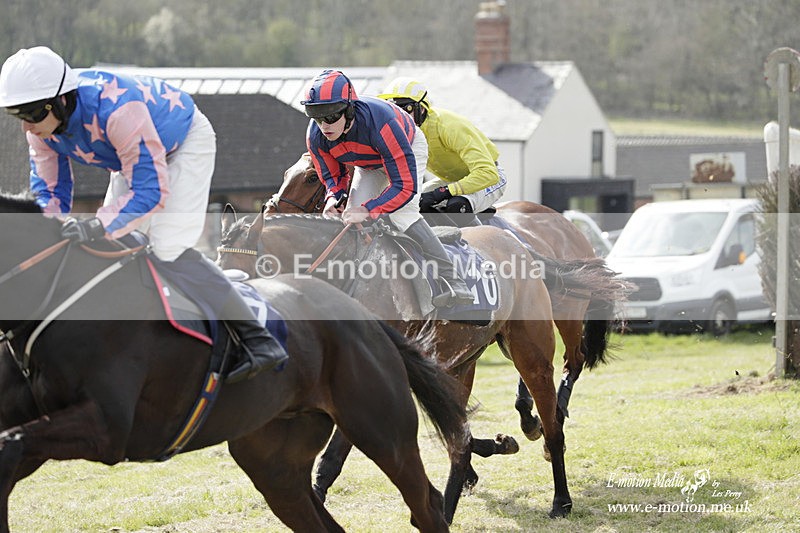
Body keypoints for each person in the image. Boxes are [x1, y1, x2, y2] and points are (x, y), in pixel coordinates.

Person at [0, 46, 286, 383]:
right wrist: (51, 232)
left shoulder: (117, 111)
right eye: (18, 116)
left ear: (61, 101)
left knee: (167, 247)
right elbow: (50, 196)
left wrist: (98, 224)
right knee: (112, 243)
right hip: (131, 158)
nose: (27, 129)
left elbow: (151, 190)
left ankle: (256, 337)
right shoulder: (42, 131)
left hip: (183, 145)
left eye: (31, 115)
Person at [301, 69, 473, 308]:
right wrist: (334, 198)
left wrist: (371, 209)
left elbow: (405, 187)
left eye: (330, 117)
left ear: (349, 109)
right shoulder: (315, 135)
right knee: (349, 217)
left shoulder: (382, 123)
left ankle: (453, 279)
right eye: (316, 116)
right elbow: (333, 176)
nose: (324, 126)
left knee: (402, 214)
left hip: (406, 148)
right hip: (369, 163)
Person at [378, 77, 507, 226]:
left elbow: (488, 173)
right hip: (453, 179)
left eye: (406, 110)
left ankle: (478, 246)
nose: (400, 119)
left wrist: (441, 193)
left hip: (489, 177)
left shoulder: (448, 126)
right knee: (410, 204)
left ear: (421, 108)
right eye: (393, 112)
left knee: (456, 206)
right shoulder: (402, 134)